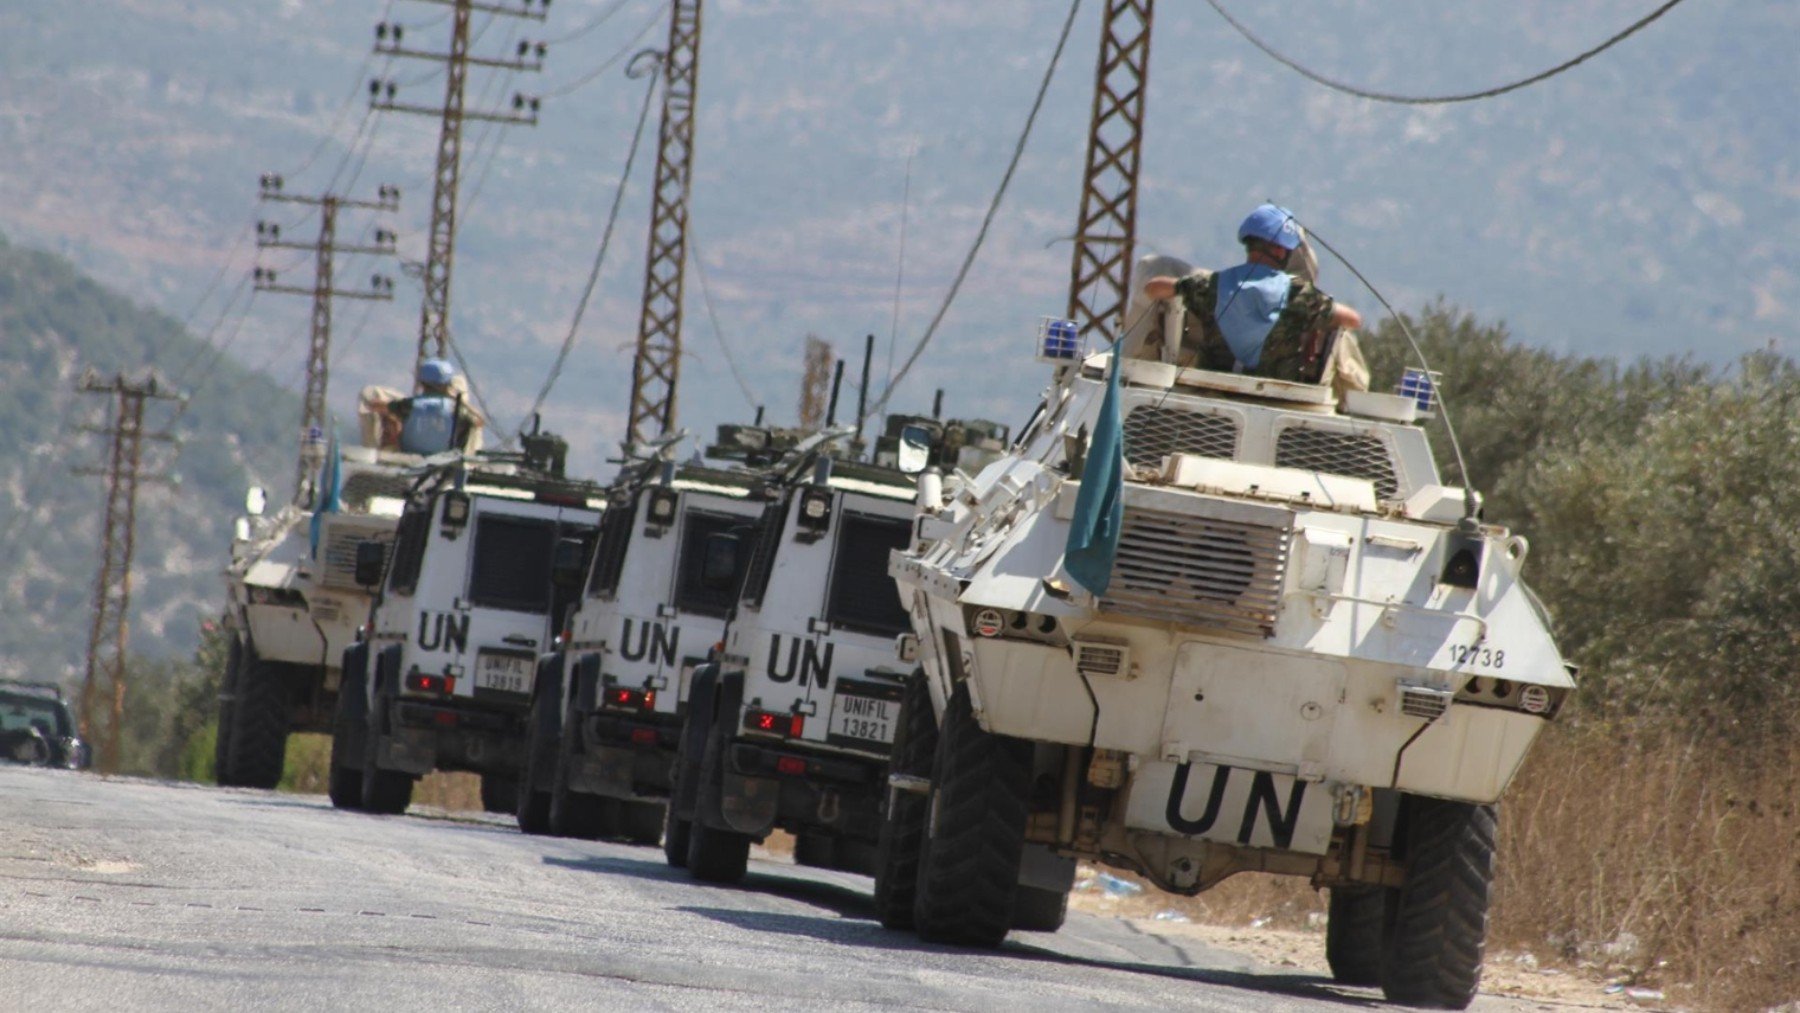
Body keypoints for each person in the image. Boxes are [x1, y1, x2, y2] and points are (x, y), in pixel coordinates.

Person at [1143, 204, 1363, 385]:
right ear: (1279, 250)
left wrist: (1184, 285)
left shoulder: (1213, 284)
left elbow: (1153, 288)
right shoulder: (1299, 295)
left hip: (1212, 392)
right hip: (1276, 400)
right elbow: (1352, 320)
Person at [388, 358, 475, 455]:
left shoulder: (409, 404)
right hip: (445, 459)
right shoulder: (455, 408)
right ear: (448, 384)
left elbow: (387, 408)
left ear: (422, 382)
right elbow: (473, 421)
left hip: (410, 456)